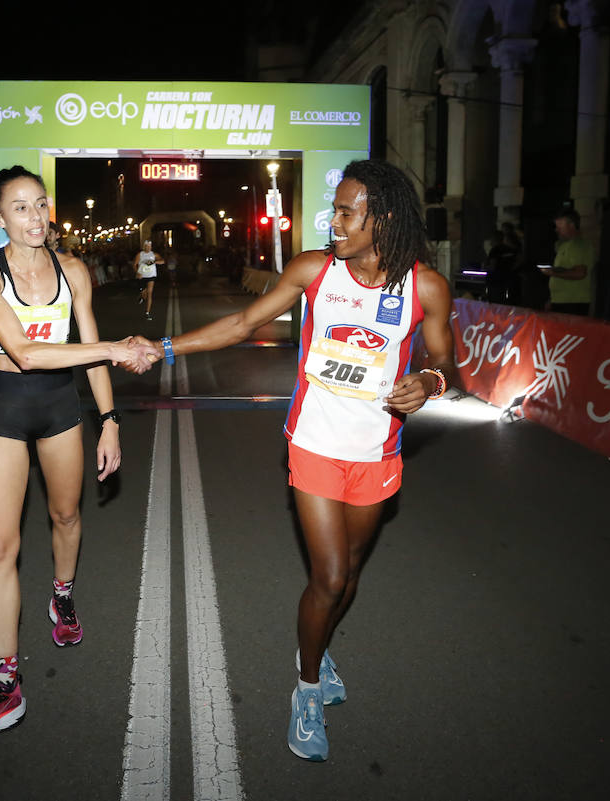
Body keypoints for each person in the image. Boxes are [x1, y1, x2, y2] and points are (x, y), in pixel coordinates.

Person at [131, 159, 457, 762]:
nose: (334, 221)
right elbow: (241, 323)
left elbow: (448, 362)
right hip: (313, 442)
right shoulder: (314, 269)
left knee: (351, 572)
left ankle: (320, 644)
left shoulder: (425, 286)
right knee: (329, 575)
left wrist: (430, 382)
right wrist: (166, 346)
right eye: (335, 209)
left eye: (346, 211)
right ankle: (307, 689)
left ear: (381, 218)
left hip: (377, 450)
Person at [0, 165, 151, 750]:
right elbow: (26, 352)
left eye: (41, 205)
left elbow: (86, 355)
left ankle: (62, 594)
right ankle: (5, 682)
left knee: (65, 516)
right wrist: (119, 347)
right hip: (8, 407)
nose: (35, 218)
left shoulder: (74, 270)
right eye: (20, 207)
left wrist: (109, 423)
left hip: (62, 407)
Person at [540, 207, 594, 315]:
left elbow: (580, 273)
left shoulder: (579, 245)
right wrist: (552, 300)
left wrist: (552, 272)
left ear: (572, 225)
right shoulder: (564, 245)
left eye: (560, 226)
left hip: (573, 302)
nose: (556, 230)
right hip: (560, 301)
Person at [132, 239, 163, 321]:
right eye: (147, 246)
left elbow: (162, 261)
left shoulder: (154, 254)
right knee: (144, 293)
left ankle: (147, 313)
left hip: (151, 276)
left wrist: (156, 262)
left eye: (150, 246)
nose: (149, 247)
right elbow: (134, 264)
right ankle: (141, 296)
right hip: (142, 276)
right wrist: (137, 273)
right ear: (144, 246)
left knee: (150, 293)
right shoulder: (140, 254)